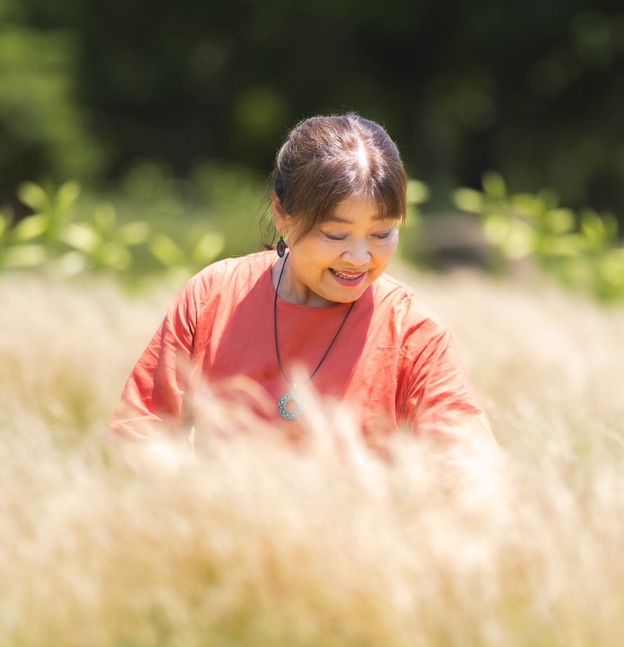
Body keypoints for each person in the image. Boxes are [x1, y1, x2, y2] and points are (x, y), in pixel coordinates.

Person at [110, 113, 497, 484]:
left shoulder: (414, 331)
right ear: (283, 215)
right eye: (335, 234)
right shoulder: (211, 295)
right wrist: (205, 492)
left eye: (382, 234)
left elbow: (468, 466)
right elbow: (142, 429)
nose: (359, 258)